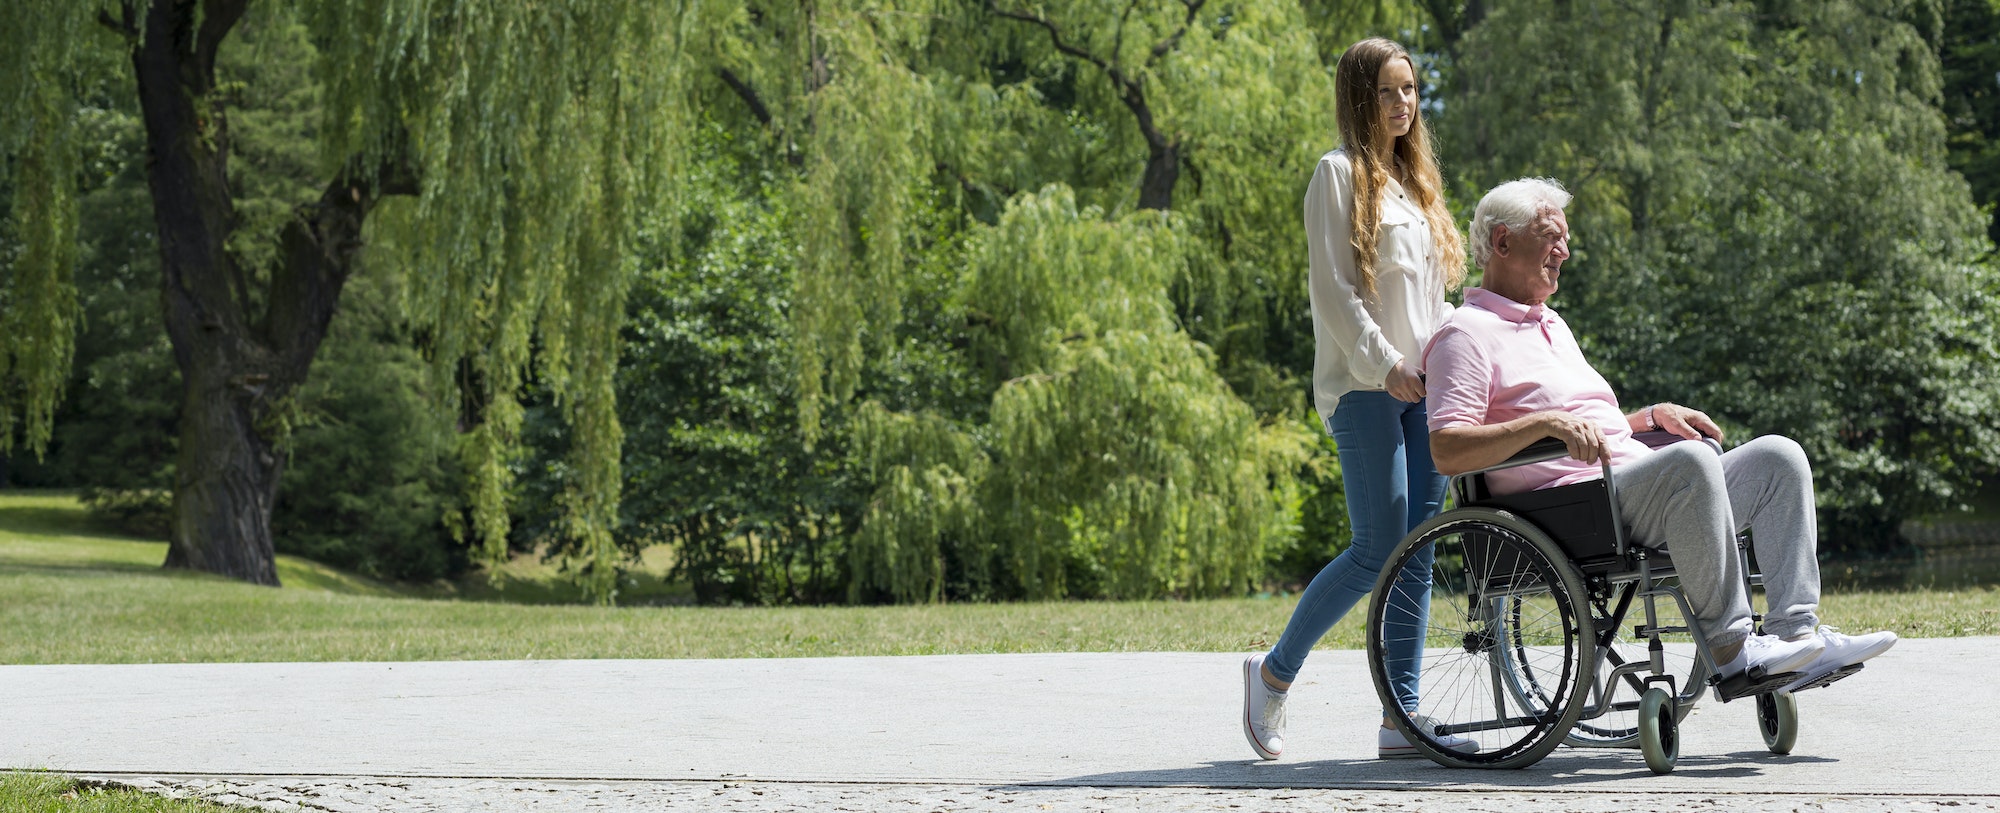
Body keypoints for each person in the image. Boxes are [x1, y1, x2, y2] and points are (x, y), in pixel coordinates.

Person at [1421, 177, 1897, 693]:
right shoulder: (1465, 335)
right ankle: (1735, 649)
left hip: (1626, 484)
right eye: (1551, 236)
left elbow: (1590, 426)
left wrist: (1647, 417)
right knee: (1691, 463)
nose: (1565, 250)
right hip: (1569, 509)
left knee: (1779, 457)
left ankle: (1796, 638)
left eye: (1566, 237)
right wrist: (1543, 424)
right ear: (1502, 242)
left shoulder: (1551, 323)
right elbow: (1448, 448)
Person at [1240, 37, 1477, 762]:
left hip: (1424, 391)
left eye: (1411, 90)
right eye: (1388, 92)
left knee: (1416, 552)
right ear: (1359, 98)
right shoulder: (1335, 175)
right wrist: (1388, 365)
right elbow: (1335, 294)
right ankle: (1273, 673)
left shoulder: (1418, 185)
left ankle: (1399, 716)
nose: (1404, 104)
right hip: (1365, 389)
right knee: (1378, 547)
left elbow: (1434, 302)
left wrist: (1447, 368)